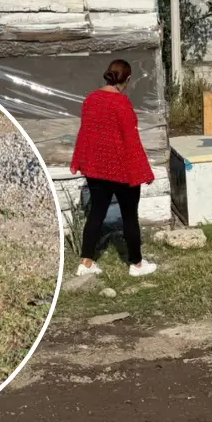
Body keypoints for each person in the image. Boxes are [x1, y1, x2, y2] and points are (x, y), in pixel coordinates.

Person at [70, 59, 158, 278]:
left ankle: (86, 262)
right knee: (129, 216)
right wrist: (143, 171)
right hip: (122, 170)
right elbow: (131, 140)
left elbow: (85, 134)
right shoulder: (122, 104)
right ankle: (136, 265)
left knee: (96, 213)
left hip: (96, 170)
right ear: (127, 80)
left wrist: (79, 160)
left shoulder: (90, 100)